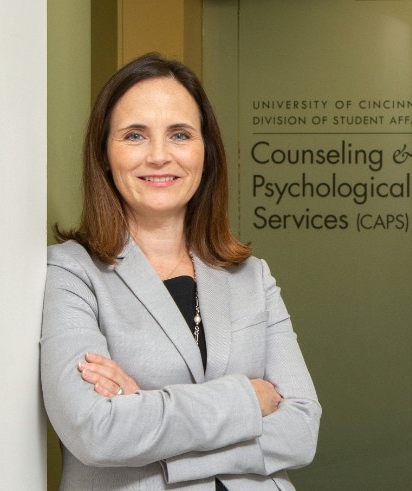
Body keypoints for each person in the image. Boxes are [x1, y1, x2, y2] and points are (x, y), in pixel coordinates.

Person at [40, 53, 320, 490]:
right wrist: (247, 398)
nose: (158, 156)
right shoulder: (72, 272)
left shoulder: (251, 276)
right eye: (134, 135)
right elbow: (96, 431)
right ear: (104, 154)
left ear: (205, 152)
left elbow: (302, 430)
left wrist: (146, 413)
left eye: (179, 134)